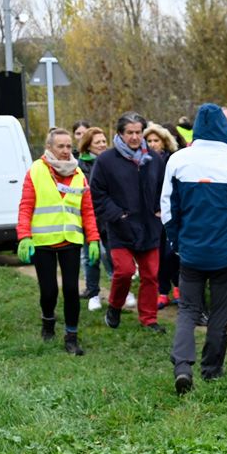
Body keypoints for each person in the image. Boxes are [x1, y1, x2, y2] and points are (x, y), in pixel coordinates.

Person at [161, 104, 227, 393]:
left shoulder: (178, 160)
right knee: (220, 311)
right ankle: (212, 369)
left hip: (190, 250)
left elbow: (168, 207)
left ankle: (182, 366)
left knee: (188, 310)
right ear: (225, 129)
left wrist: (175, 241)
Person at [16, 128, 101, 355]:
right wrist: (24, 237)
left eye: (68, 146)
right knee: (49, 290)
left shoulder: (79, 174)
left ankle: (71, 336)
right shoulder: (36, 170)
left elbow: (87, 211)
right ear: (50, 147)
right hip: (43, 241)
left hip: (70, 240)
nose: (65, 151)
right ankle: (48, 323)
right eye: (60, 146)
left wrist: (93, 239)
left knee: (72, 289)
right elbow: (25, 207)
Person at [89, 111, 168, 333]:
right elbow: (97, 193)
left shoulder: (154, 160)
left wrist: (160, 209)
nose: (134, 137)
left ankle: (149, 319)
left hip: (149, 226)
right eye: (129, 133)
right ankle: (114, 306)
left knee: (150, 275)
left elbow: (164, 188)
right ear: (120, 134)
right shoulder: (106, 161)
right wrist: (116, 214)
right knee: (123, 272)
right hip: (120, 227)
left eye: (138, 132)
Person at [144, 123, 181, 310]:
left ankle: (178, 287)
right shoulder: (143, 162)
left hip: (172, 213)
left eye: (156, 140)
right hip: (152, 216)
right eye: (149, 140)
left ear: (164, 142)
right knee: (158, 254)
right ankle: (162, 291)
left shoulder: (174, 160)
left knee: (172, 252)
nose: (152, 144)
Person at [79, 127, 111, 311]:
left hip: (109, 217)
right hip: (90, 218)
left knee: (111, 254)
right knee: (92, 257)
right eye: (97, 142)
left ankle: (121, 290)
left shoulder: (111, 162)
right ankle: (93, 293)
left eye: (104, 140)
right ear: (88, 144)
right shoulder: (80, 166)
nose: (102, 144)